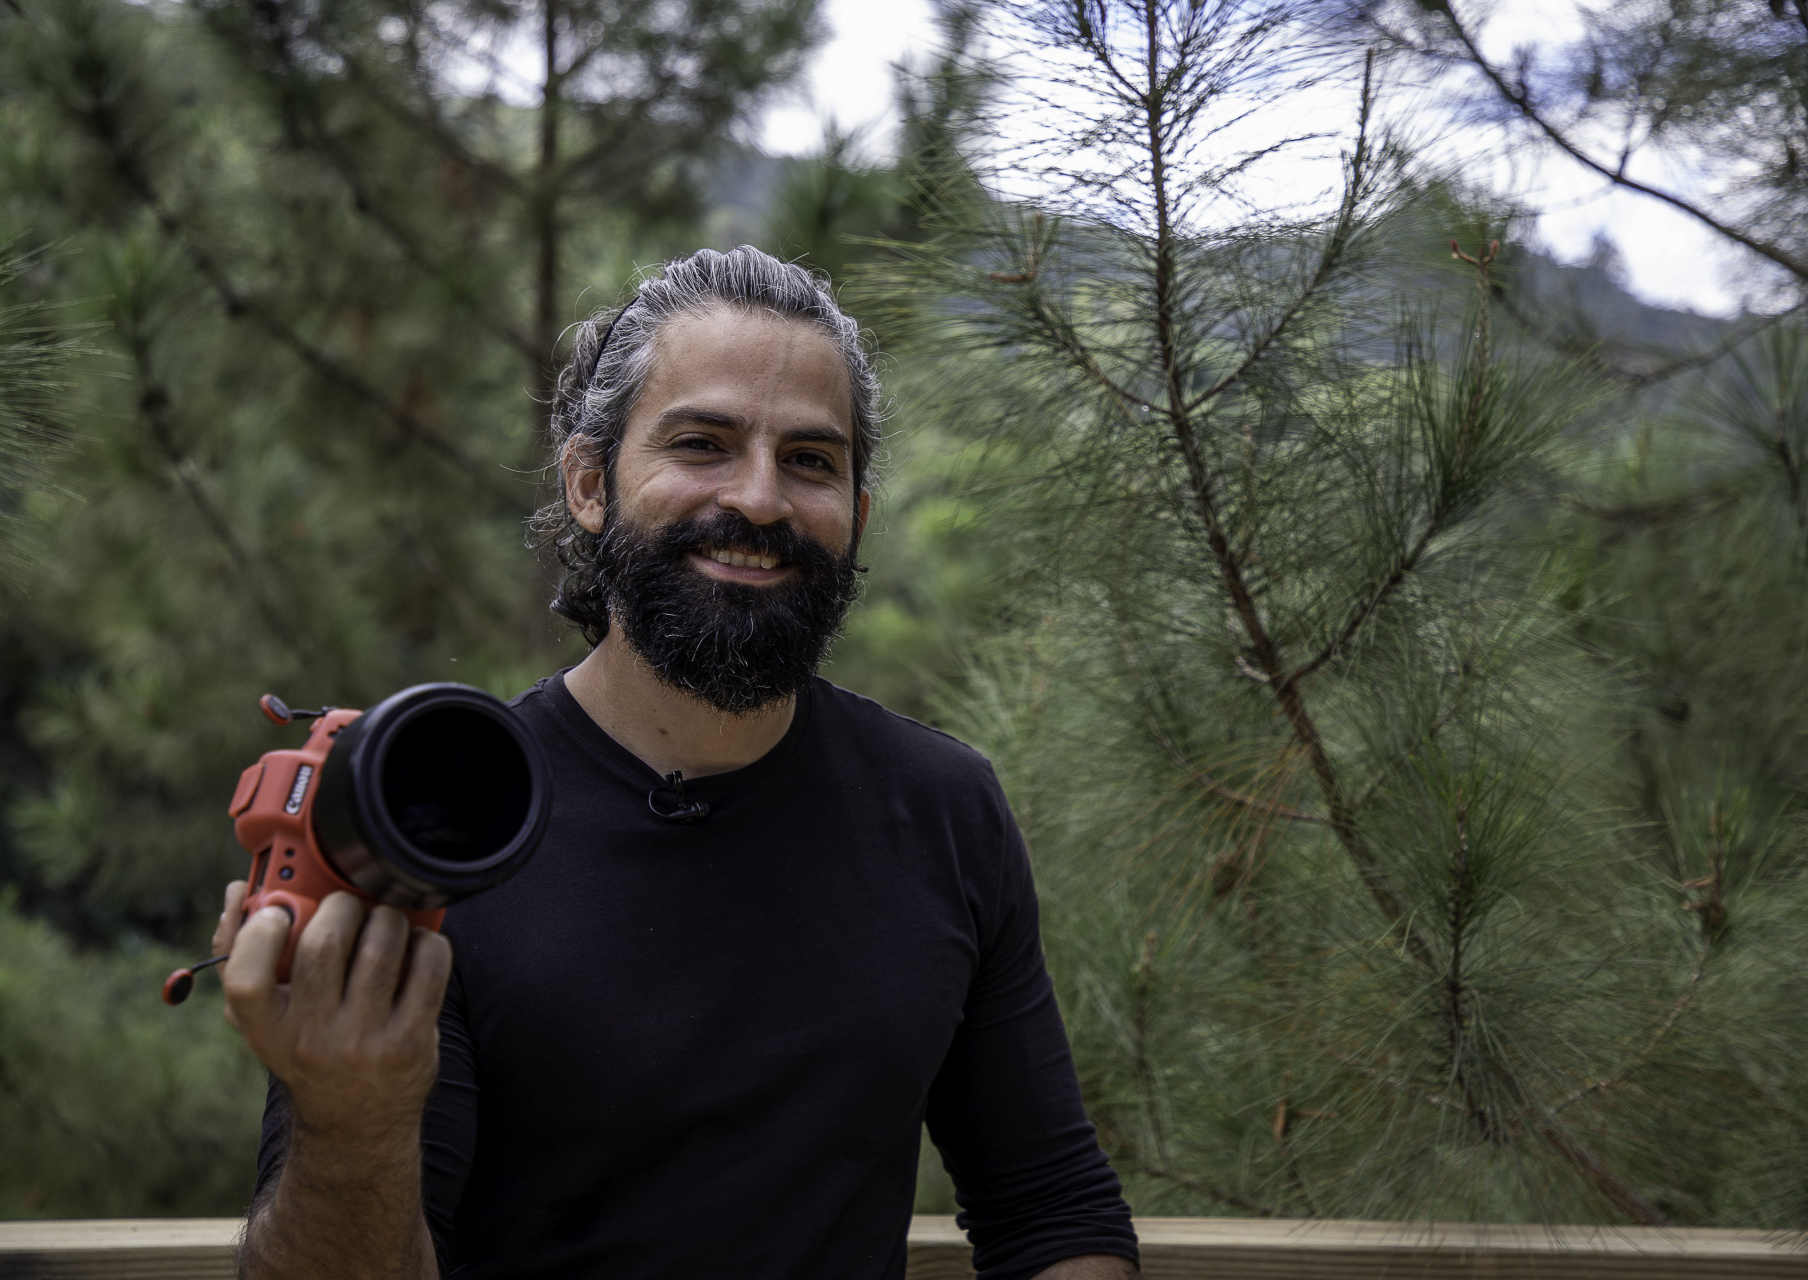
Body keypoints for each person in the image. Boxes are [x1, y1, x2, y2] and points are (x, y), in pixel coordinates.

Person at [220, 246, 1142, 1279]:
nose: (761, 498)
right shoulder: (437, 824)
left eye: (811, 459)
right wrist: (352, 1124)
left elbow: (1052, 1210)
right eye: (703, 443)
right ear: (589, 483)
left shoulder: (943, 807)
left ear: (856, 514)